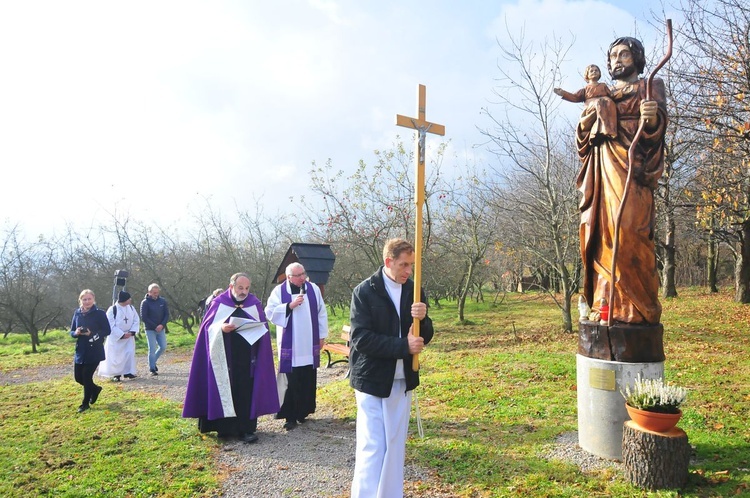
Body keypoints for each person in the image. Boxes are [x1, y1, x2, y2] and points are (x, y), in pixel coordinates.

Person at [575, 37, 667, 324]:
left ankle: (637, 307)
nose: (617, 60)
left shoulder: (650, 86)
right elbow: (583, 141)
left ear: (637, 58)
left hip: (633, 168)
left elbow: (656, 130)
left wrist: (651, 119)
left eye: (624, 54)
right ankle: (606, 303)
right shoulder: (602, 93)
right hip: (602, 169)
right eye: (613, 55)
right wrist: (584, 124)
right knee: (603, 233)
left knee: (629, 230)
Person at [349, 238, 435, 498]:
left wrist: (424, 318)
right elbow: (361, 338)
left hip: (402, 379)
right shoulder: (365, 292)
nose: (408, 271)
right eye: (404, 265)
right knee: (373, 445)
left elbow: (424, 337)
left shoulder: (415, 290)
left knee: (395, 446)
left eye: (412, 265)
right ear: (388, 262)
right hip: (371, 379)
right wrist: (402, 347)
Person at [182, 273, 279, 443]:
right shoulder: (219, 303)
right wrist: (221, 328)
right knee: (225, 388)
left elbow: (262, 327)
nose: (244, 292)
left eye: (247, 288)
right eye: (240, 288)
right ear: (231, 286)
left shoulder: (253, 303)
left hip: (247, 357)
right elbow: (207, 328)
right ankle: (224, 429)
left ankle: (246, 429)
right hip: (224, 356)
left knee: (245, 390)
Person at [264, 263, 329, 430]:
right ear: (288, 277)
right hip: (291, 346)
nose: (302, 278)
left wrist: (322, 335)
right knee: (291, 381)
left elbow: (321, 312)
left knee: (307, 378)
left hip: (309, 343)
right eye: (298, 275)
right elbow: (270, 312)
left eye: (303, 273)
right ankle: (290, 416)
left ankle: (303, 412)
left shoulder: (313, 289)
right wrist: (289, 306)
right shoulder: (279, 291)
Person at [69, 289, 111, 413]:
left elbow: (107, 330)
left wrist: (92, 334)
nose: (87, 302)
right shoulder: (77, 313)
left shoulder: (100, 313)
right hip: (81, 350)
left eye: (89, 299)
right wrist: (76, 333)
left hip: (94, 350)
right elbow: (71, 331)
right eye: (84, 299)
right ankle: (95, 389)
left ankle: (85, 403)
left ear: (94, 299)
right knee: (78, 378)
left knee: (87, 377)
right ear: (80, 300)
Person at [554, 64, 617, 141]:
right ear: (587, 75)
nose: (594, 72)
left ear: (599, 73)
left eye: (596, 70)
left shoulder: (603, 86)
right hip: (591, 107)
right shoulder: (586, 89)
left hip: (605, 105)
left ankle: (611, 129)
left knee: (610, 103)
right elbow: (575, 97)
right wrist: (563, 93)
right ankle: (603, 128)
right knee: (599, 102)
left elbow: (611, 95)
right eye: (591, 71)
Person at [99, 291, 140, 381]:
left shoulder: (131, 308)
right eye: (129, 299)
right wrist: (121, 335)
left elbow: (136, 320)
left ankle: (128, 372)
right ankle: (116, 374)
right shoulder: (113, 309)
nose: (130, 300)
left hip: (129, 336)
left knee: (129, 353)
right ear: (124, 300)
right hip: (117, 338)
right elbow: (110, 324)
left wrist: (132, 332)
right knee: (116, 356)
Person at [140, 283, 169, 375]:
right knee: (152, 348)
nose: (156, 294)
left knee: (163, 346)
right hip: (150, 329)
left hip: (161, 328)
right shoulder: (145, 302)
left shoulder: (162, 301)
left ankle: (152, 361)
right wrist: (155, 326)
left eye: (157, 292)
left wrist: (162, 325)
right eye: (154, 292)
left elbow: (166, 314)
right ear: (149, 292)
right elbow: (144, 317)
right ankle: (152, 368)